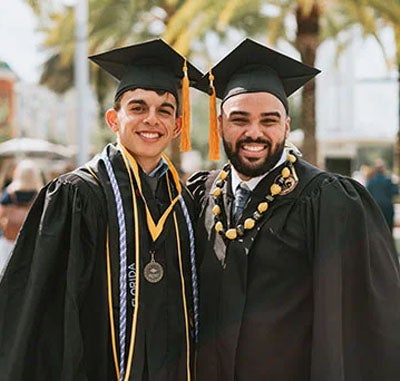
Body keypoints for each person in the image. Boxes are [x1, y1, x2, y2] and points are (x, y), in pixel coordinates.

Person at [187, 39, 400, 380]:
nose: (254, 132)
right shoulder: (202, 196)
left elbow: (365, 321)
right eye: (239, 119)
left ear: (286, 126)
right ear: (220, 124)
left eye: (268, 121)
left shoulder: (328, 200)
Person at [0, 39, 202, 381]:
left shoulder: (184, 203)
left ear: (178, 126)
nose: (151, 120)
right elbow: (44, 313)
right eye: (138, 108)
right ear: (113, 119)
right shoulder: (77, 196)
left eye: (164, 110)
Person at [0, 159, 43, 279]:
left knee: (5, 270)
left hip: (9, 237)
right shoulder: (40, 195)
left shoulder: (9, 193)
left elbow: (1, 215)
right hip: (30, 238)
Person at [366, 158, 399, 233]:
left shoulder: (371, 181)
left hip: (375, 208)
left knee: (376, 231)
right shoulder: (388, 180)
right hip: (387, 208)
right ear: (383, 169)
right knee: (388, 230)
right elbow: (396, 192)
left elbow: (367, 194)